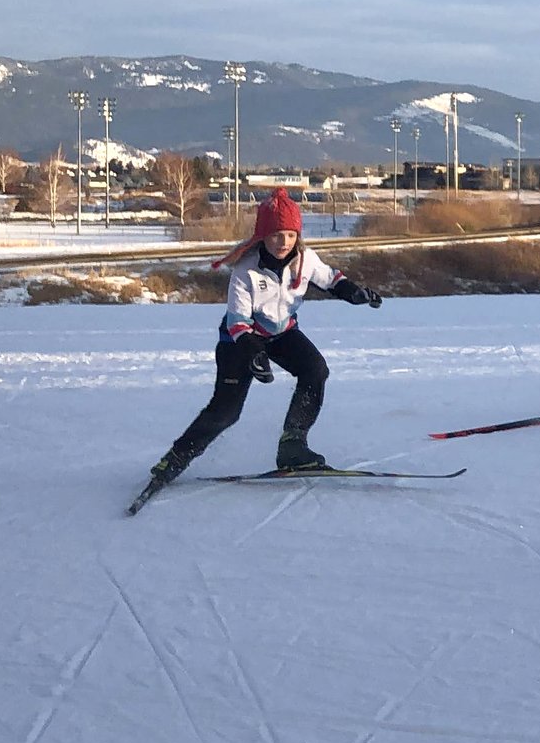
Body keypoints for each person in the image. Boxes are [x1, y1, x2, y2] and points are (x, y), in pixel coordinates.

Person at [133, 188, 384, 505]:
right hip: (240, 340)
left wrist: (355, 293)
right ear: (263, 235)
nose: (284, 242)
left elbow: (332, 279)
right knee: (226, 412)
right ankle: (173, 460)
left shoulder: (305, 260)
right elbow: (238, 322)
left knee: (315, 370)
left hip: (281, 333)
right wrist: (255, 355)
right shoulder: (246, 269)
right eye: (276, 235)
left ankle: (293, 446)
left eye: (290, 235)